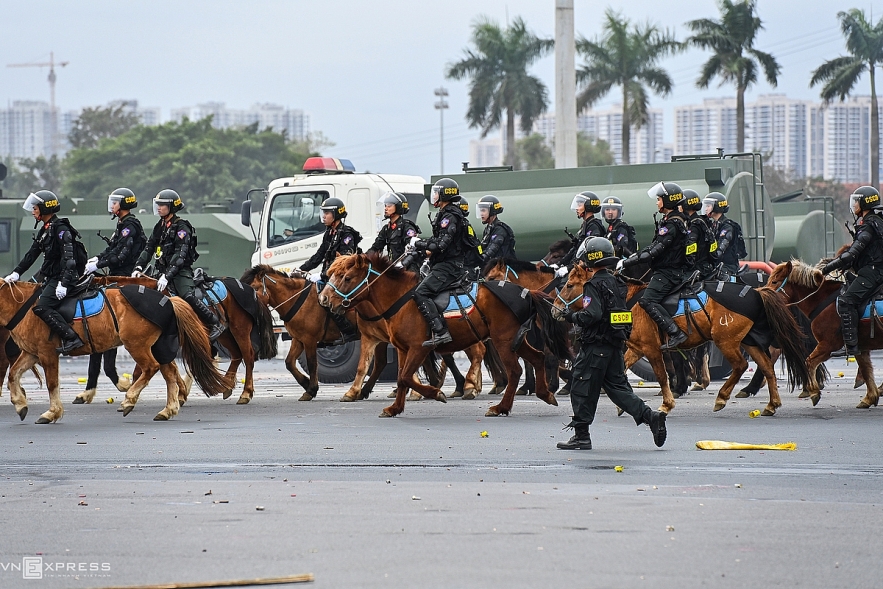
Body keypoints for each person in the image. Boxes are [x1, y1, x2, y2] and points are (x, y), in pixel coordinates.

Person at [555, 236, 667, 450]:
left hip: (595, 348)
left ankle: (581, 436)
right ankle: (651, 417)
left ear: (590, 258)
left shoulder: (592, 285)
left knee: (580, 388)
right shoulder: (617, 282)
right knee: (619, 391)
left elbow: (593, 315)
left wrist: (571, 316)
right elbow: (620, 315)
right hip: (614, 346)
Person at [132, 189, 224, 341]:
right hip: (161, 270)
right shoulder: (160, 226)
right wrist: (138, 267)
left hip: (179, 272)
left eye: (163, 204)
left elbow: (180, 256)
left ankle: (214, 323)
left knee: (187, 295)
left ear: (172, 207)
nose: (159, 207)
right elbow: (149, 247)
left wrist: (167, 276)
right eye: (158, 204)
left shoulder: (182, 227)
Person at [3, 190, 85, 354]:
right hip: (51, 277)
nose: (33, 211)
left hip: (63, 278)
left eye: (35, 208)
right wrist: (16, 273)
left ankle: (71, 338)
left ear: (44, 209)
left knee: (43, 307)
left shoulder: (61, 229)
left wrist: (63, 283)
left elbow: (69, 260)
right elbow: (31, 255)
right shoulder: (46, 229)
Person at [83, 187, 146, 392]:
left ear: (124, 205)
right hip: (115, 274)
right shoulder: (121, 225)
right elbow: (112, 250)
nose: (112, 205)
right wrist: (96, 260)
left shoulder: (130, 225)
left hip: (127, 275)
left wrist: (99, 265)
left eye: (115, 202)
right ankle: (91, 386)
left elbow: (122, 256)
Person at [619, 181, 691, 350]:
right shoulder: (671, 220)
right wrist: (633, 257)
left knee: (646, 301)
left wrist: (627, 262)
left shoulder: (672, 223)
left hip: (668, 272)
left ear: (668, 201)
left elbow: (655, 251)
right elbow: (652, 247)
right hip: (669, 270)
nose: (657, 202)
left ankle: (675, 332)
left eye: (659, 199)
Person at [821, 186, 883, 356]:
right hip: (873, 270)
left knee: (846, 301)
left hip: (873, 272)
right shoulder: (876, 221)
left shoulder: (869, 225)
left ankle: (850, 346)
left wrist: (826, 269)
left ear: (865, 203)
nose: (854, 204)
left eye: (856, 201)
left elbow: (851, 254)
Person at [410, 177, 468, 347]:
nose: (434, 196)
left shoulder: (450, 216)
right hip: (442, 264)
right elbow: (436, 241)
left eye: (436, 193)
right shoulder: (445, 213)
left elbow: (441, 244)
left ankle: (441, 332)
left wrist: (418, 242)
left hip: (448, 266)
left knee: (420, 292)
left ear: (444, 194)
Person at [298, 196, 361, 343]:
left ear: (337, 214)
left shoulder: (346, 234)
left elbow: (344, 261)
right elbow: (319, 255)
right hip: (329, 275)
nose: (324, 216)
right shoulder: (329, 232)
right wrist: (301, 269)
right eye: (323, 212)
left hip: (340, 277)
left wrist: (321, 275)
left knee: (325, 299)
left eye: (327, 213)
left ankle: (348, 332)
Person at [366, 192, 421, 271]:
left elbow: (413, 249)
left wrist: (402, 263)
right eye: (385, 205)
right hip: (393, 267)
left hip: (408, 267)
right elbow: (376, 248)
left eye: (389, 205)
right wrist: (362, 258)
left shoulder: (407, 227)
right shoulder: (386, 229)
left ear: (398, 207)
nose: (386, 208)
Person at [557, 191, 605, 276]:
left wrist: (569, 268)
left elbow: (589, 252)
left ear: (588, 207)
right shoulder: (586, 225)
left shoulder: (594, 226)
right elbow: (576, 248)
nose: (577, 208)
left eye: (579, 205)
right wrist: (560, 264)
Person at [703, 192, 746, 279]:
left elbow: (719, 251)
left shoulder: (728, 227)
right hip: (716, 266)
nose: (706, 209)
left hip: (727, 268)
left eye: (708, 206)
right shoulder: (713, 225)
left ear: (716, 207)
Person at [680, 189, 718, 280]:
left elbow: (690, 250)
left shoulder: (694, 225)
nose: (678, 207)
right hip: (704, 266)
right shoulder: (700, 221)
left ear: (686, 205)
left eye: (680, 204)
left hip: (698, 269)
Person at [477, 194, 516, 263]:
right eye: (480, 211)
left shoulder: (500, 230)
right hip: (493, 266)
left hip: (503, 268)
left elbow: (491, 250)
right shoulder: (488, 229)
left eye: (483, 210)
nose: (481, 214)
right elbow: (482, 247)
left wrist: (478, 260)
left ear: (492, 211)